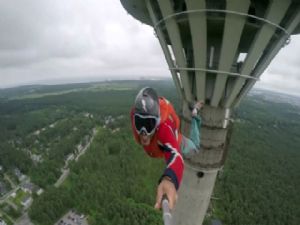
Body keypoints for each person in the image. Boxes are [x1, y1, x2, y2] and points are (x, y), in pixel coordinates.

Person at [130, 87, 203, 210]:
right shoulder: (135, 114)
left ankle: (195, 112)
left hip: (177, 142)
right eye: (140, 124)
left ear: (157, 122)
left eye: (148, 125)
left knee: (195, 147)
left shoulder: (164, 128)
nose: (143, 133)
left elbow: (176, 155)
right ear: (134, 119)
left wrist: (169, 179)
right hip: (160, 145)